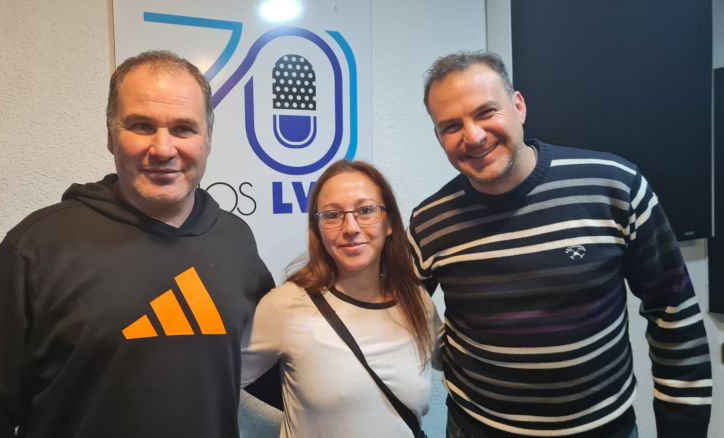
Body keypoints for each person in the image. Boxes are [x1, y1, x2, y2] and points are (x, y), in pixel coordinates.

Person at [0, 50, 274, 437]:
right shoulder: (36, 247)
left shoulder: (235, 240)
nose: (164, 149)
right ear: (110, 135)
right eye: (141, 125)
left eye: (184, 128)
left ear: (208, 139)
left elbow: (277, 367)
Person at [408, 51, 712, 438]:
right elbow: (397, 304)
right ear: (438, 137)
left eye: (486, 112)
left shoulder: (615, 186)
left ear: (518, 106)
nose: (474, 136)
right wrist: (440, 351)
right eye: (451, 126)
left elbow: (675, 315)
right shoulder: (430, 221)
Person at [241, 160, 441, 437]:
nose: (350, 227)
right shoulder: (286, 306)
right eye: (332, 215)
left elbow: (455, 362)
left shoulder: (415, 300)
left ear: (390, 223)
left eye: (366, 210)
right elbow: (222, 380)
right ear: (318, 229)